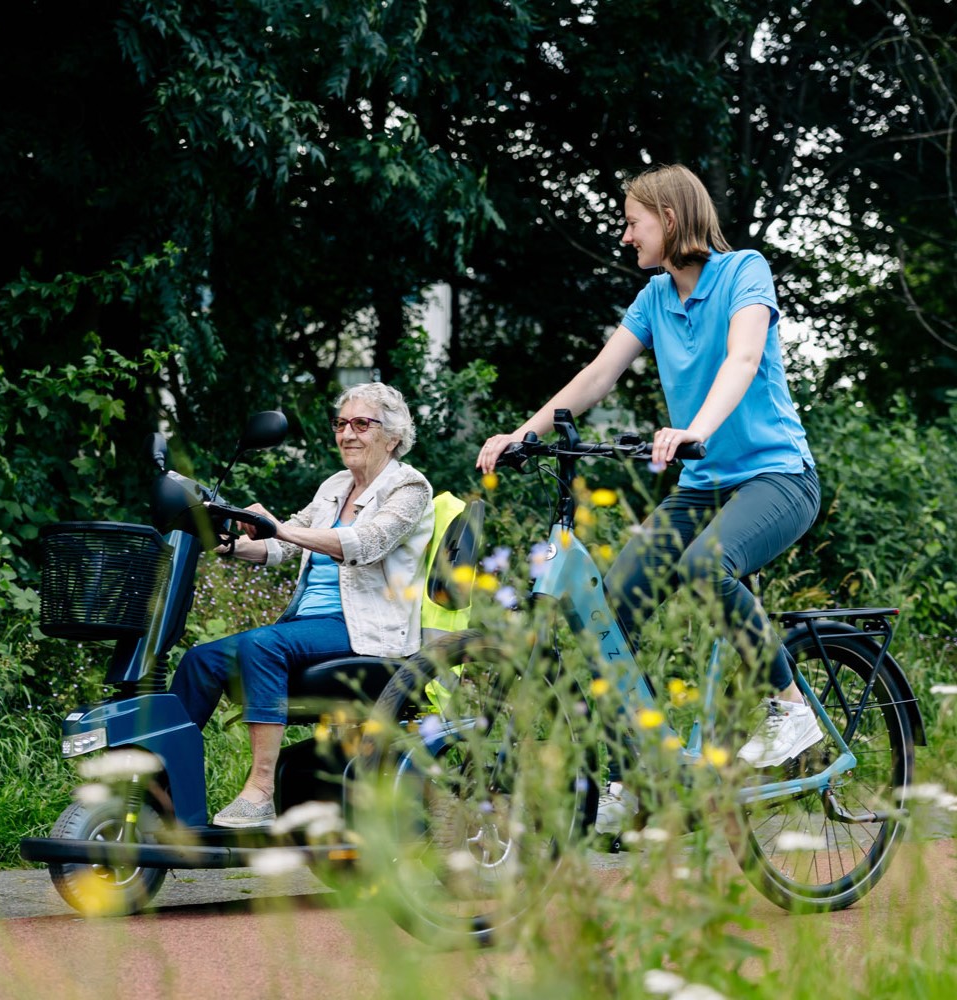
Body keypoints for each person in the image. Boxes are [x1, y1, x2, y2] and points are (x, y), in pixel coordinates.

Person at [476, 163, 823, 788]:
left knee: (702, 566)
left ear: (668, 218)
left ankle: (789, 708)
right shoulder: (655, 298)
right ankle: (634, 777)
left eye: (633, 223)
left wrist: (699, 429)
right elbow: (597, 376)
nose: (625, 236)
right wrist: (523, 434)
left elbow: (744, 356)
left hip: (778, 478)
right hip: (702, 486)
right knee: (609, 612)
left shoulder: (744, 271)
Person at [171, 382, 434, 828]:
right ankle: (160, 791)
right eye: (341, 424)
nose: (347, 433)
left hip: (367, 629)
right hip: (309, 626)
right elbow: (279, 547)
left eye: (361, 424)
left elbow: (363, 543)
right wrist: (225, 538)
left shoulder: (409, 487)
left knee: (263, 645)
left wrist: (277, 529)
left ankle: (260, 792)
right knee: (201, 660)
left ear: (392, 436)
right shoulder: (335, 486)